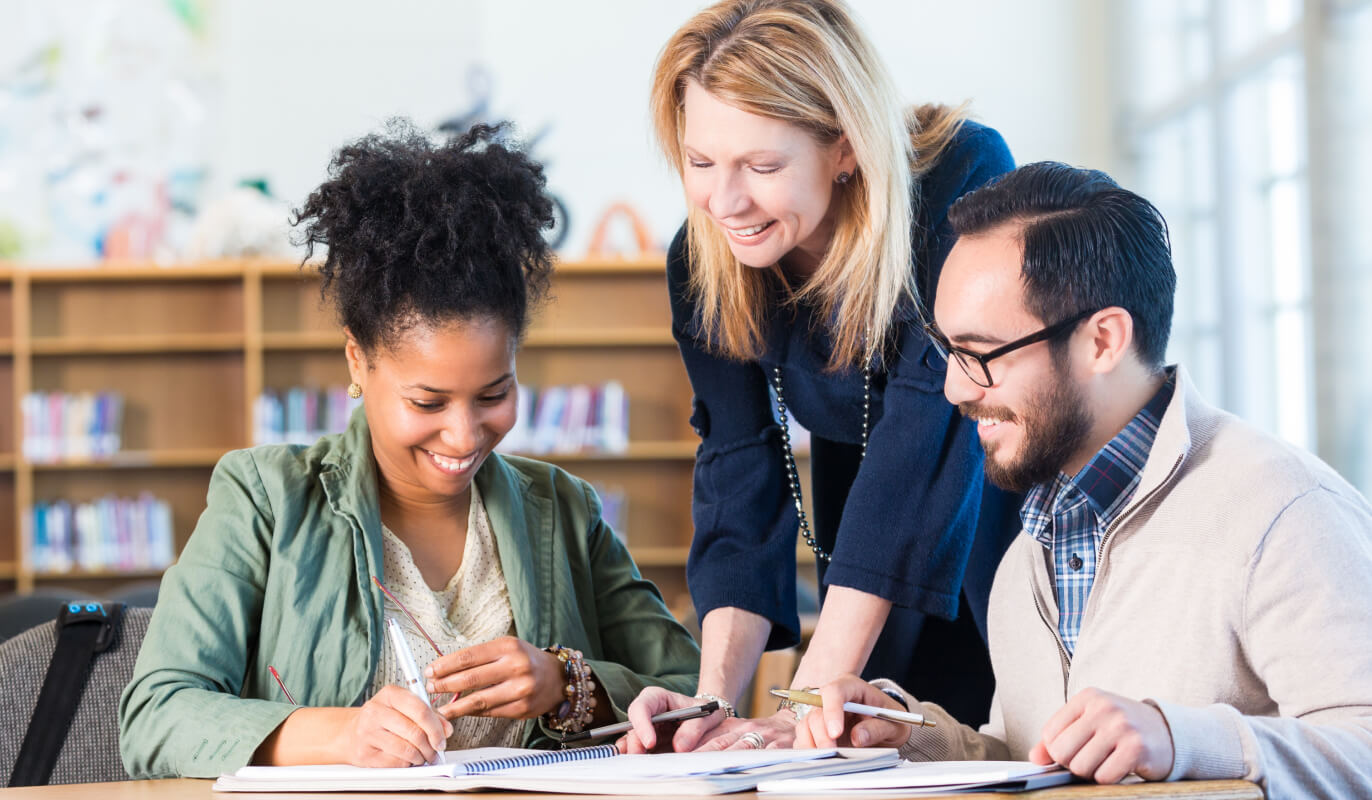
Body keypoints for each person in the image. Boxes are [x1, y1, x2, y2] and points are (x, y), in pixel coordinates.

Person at [118, 122, 700, 778]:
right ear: (357, 361)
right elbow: (157, 715)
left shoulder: (563, 509)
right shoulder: (265, 499)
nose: (464, 435)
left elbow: (695, 694)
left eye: (493, 395)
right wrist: (342, 736)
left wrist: (568, 687)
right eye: (428, 403)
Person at [794, 162, 1372, 798]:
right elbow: (1035, 761)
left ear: (1102, 341)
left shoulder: (1285, 512)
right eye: (946, 351)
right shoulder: (1027, 550)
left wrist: (1179, 738)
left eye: (981, 354)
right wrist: (909, 735)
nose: (954, 389)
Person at [624, 0, 1019, 753]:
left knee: (1001, 738)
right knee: (856, 747)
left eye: (762, 166)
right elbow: (739, 473)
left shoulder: (959, 179)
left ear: (844, 148)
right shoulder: (703, 258)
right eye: (701, 163)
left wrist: (806, 700)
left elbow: (925, 438)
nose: (724, 202)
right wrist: (712, 700)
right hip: (866, 540)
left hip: (999, 511)